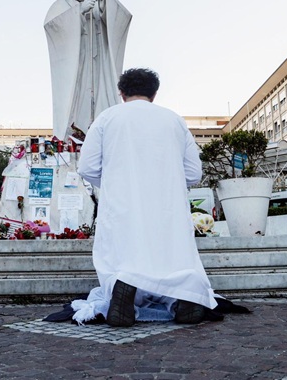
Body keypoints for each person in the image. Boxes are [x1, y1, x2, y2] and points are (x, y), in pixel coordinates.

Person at [75, 68, 216, 327]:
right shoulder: (174, 120)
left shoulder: (107, 118)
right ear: (154, 93)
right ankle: (182, 297)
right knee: (170, 253)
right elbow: (194, 173)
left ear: (121, 92)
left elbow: (86, 167)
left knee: (126, 251)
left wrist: (110, 184)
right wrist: (169, 182)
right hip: (166, 204)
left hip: (122, 203)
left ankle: (124, 284)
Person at [44, 0, 132, 141]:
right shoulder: (60, 6)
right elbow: (52, 27)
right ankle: (73, 135)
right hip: (75, 65)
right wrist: (79, 12)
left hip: (100, 63)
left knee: (102, 97)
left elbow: (122, 18)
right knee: (76, 102)